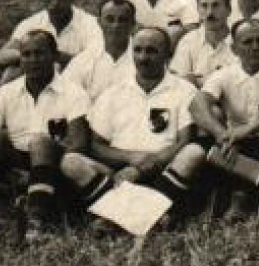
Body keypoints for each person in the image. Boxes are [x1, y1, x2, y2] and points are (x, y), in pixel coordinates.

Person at [0, 31, 88, 241]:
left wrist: (40, 172)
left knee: (40, 141)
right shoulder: (5, 93)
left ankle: (37, 220)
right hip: (15, 165)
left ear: (53, 56)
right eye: (26, 54)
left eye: (40, 53)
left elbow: (78, 143)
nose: (33, 60)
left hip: (52, 166)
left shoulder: (73, 92)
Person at [58, 28, 205, 216]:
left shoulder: (184, 90)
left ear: (168, 54)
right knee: (71, 162)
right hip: (119, 174)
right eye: (138, 50)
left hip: (165, 170)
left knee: (194, 153)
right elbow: (96, 145)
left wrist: (144, 168)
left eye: (152, 51)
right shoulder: (113, 92)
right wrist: (130, 159)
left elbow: (185, 141)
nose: (143, 57)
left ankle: (118, 214)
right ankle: (152, 213)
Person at [188, 18, 259, 215]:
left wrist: (247, 130)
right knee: (203, 146)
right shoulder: (224, 74)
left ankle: (242, 198)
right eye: (247, 42)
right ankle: (240, 198)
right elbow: (197, 104)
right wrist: (222, 135)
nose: (255, 47)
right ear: (234, 48)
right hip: (230, 145)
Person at [0, 0, 102, 72]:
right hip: (40, 81)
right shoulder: (31, 23)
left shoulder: (91, 24)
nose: (55, 3)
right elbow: (0, 57)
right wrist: (35, 56)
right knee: (12, 71)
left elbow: (95, 64)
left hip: (76, 81)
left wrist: (52, 56)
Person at [62, 0, 137, 103]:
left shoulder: (144, 57)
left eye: (123, 20)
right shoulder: (84, 60)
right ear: (99, 22)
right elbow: (67, 97)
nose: (116, 25)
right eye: (110, 19)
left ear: (133, 24)